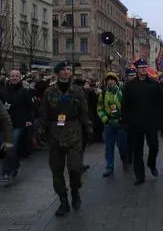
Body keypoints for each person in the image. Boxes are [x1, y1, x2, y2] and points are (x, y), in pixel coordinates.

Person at [38, 61, 93, 216]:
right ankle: (63, 200)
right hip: (55, 133)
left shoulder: (77, 91)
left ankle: (75, 191)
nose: (66, 72)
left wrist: (88, 129)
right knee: (57, 170)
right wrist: (42, 130)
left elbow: (84, 112)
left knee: (75, 169)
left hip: (74, 132)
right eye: (63, 69)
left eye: (68, 69)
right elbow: (44, 113)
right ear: (57, 73)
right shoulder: (49, 92)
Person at [122, 59, 163, 186]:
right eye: (141, 67)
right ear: (137, 69)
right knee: (138, 151)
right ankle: (139, 176)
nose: (143, 69)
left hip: (151, 122)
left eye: (145, 67)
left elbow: (160, 104)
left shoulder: (154, 84)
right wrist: (126, 121)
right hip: (136, 123)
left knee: (154, 146)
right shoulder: (130, 85)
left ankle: (151, 163)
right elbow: (126, 105)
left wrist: (161, 121)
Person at [97, 72, 128, 177]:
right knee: (109, 147)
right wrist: (105, 119)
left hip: (121, 124)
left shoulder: (122, 91)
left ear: (116, 80)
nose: (110, 81)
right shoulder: (103, 93)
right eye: (108, 80)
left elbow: (127, 106)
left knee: (122, 146)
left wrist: (124, 118)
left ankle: (125, 160)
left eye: (112, 79)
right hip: (109, 124)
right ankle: (109, 167)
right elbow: (100, 108)